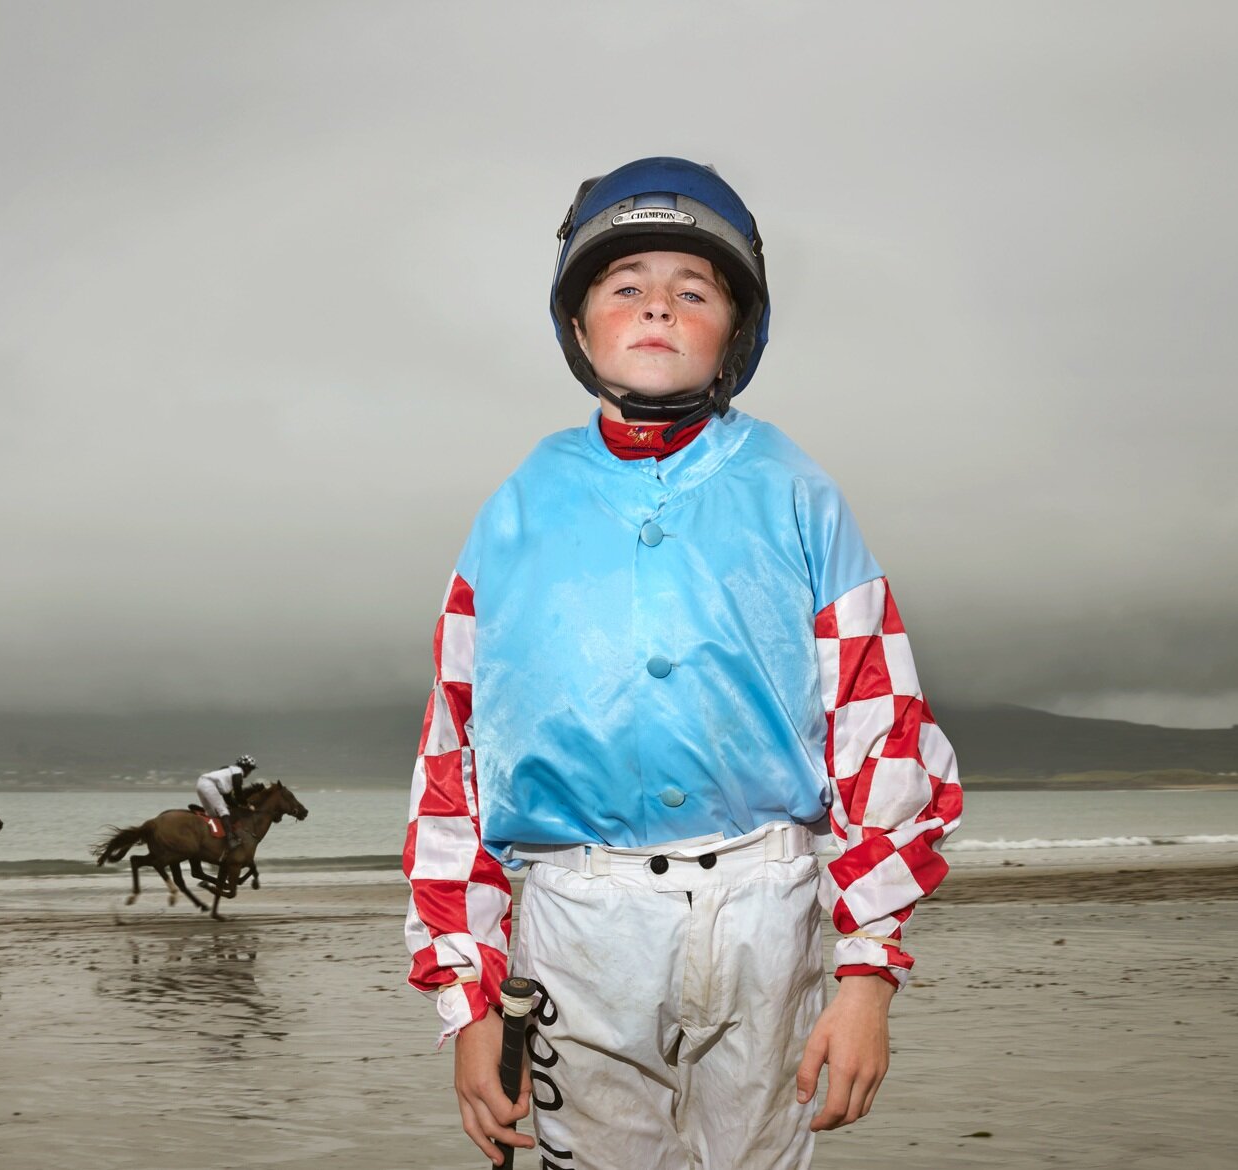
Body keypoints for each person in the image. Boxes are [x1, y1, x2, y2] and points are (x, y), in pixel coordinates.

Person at [401, 157, 963, 1169]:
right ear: (578, 326)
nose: (657, 305)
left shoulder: (795, 493)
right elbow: (455, 759)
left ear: (735, 332)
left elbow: (877, 724)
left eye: (692, 290)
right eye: (624, 286)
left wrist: (868, 976)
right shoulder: (517, 512)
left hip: (766, 909)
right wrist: (469, 998)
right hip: (579, 922)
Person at [195, 755, 257, 853]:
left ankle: (209, 839)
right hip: (209, 785)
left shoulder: (228, 772)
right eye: (250, 770)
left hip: (200, 783)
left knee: (211, 814)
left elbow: (228, 799)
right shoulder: (238, 773)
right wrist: (248, 805)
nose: (249, 773)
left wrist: (237, 805)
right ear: (246, 768)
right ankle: (230, 840)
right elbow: (238, 793)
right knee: (223, 811)